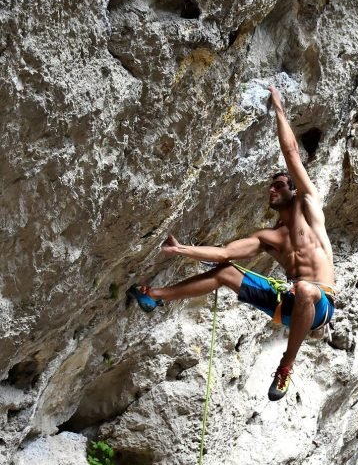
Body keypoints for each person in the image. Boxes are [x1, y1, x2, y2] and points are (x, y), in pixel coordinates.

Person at [128, 86, 335, 400]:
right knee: (225, 272)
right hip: (287, 305)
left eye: (279, 185)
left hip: (318, 304)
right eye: (270, 187)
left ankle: (285, 367)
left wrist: (279, 109)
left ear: (294, 191)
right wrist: (182, 249)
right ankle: (155, 296)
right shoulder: (269, 238)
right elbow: (224, 253)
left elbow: (291, 153)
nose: (272, 190)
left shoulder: (309, 207)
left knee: (306, 288)